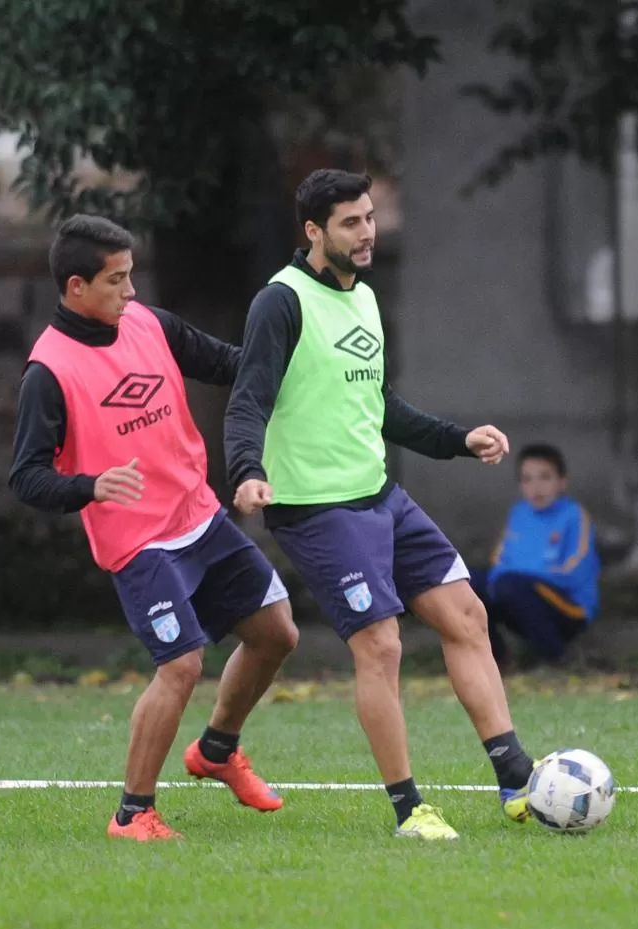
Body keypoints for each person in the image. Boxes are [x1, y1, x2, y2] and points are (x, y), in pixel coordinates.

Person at [224, 169, 539, 840]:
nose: (367, 233)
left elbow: (379, 408)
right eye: (351, 223)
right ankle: (409, 808)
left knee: (467, 616)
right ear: (313, 232)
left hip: (381, 498)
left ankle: (516, 777)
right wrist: (247, 470)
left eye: (369, 218)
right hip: (316, 509)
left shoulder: (364, 297)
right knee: (381, 644)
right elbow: (249, 398)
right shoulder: (280, 303)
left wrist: (458, 439)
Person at [9, 214, 299, 841]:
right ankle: (133, 813)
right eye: (117, 280)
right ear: (76, 287)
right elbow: (26, 476)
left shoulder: (148, 323)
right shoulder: (48, 372)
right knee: (182, 664)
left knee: (277, 633)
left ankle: (217, 751)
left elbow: (227, 363)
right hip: (137, 544)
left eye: (132, 275)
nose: (131, 291)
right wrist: (88, 486)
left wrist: (291, 370)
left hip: (198, 515)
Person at [471, 444, 600, 670]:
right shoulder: (519, 513)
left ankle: (559, 658)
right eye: (527, 479)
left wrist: (524, 576)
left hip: (567, 607)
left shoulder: (573, 515)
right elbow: (499, 562)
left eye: (544, 477)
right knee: (467, 583)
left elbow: (575, 572)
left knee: (510, 584)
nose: (536, 487)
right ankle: (498, 660)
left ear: (562, 482)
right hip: (516, 593)